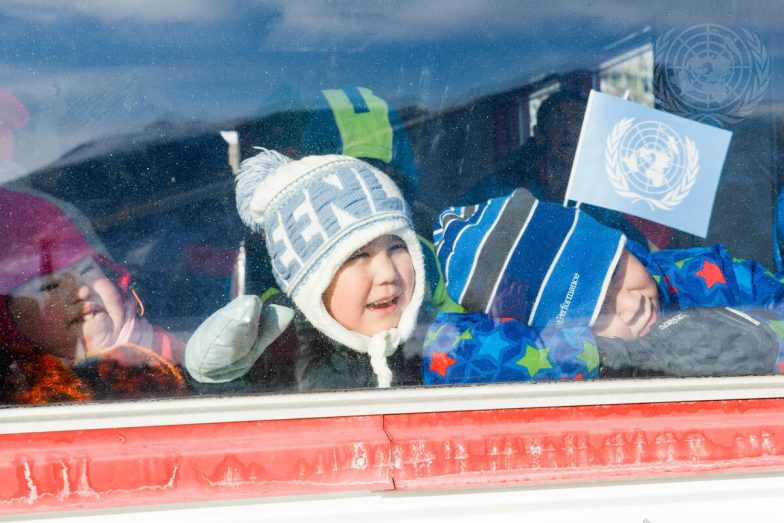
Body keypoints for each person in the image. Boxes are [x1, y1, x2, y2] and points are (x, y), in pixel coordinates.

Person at [423, 188, 784, 384]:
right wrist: (613, 354)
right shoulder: (565, 356)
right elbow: (448, 354)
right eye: (595, 312)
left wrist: (763, 339)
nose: (630, 305)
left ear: (619, 244)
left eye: (614, 272)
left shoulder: (702, 275)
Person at [185, 150, 427, 391]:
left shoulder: (433, 336)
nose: (388, 273)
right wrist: (215, 375)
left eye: (397, 247)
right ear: (312, 281)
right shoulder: (281, 347)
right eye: (359, 255)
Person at [0, 186, 187, 403]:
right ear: (12, 323)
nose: (82, 290)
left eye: (87, 271)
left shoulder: (168, 351)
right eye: (50, 287)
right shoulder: (22, 388)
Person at [459, 90, 672, 250]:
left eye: (579, 120)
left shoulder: (616, 192)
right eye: (559, 120)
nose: (569, 128)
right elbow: (458, 225)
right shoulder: (505, 185)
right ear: (539, 134)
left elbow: (638, 252)